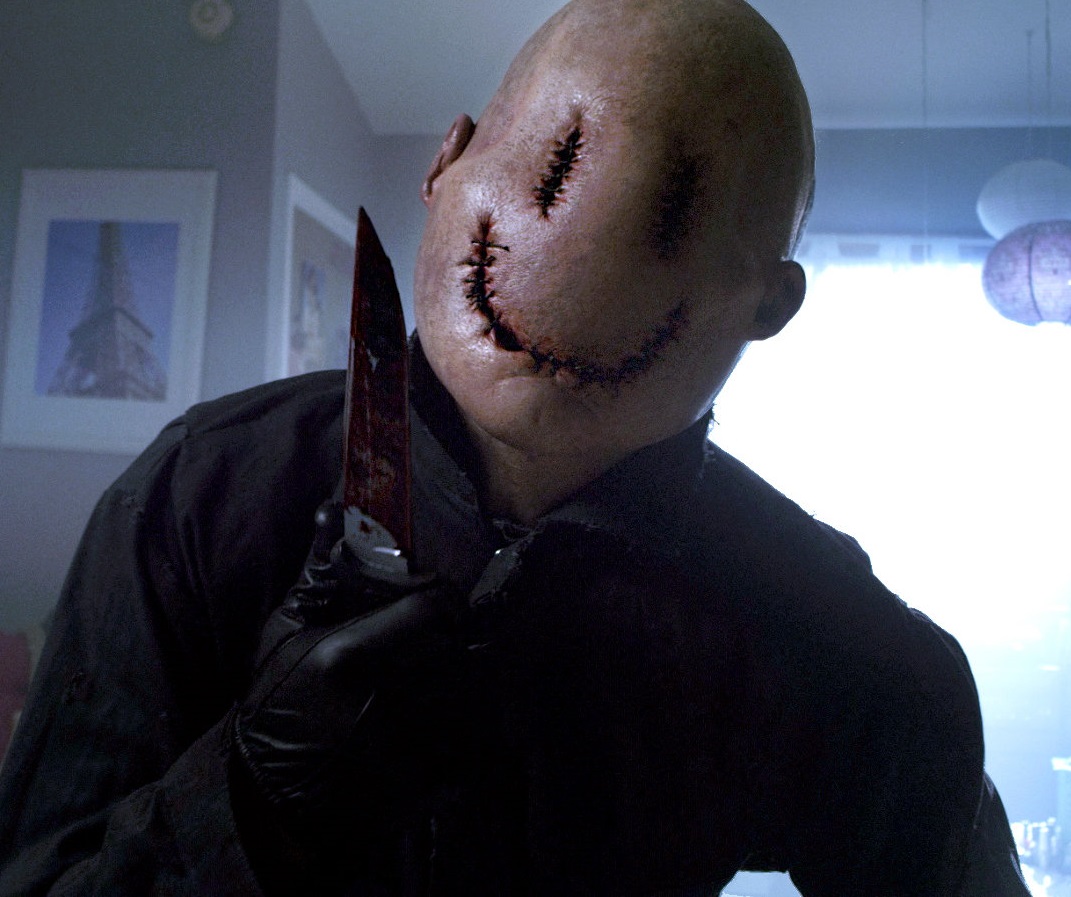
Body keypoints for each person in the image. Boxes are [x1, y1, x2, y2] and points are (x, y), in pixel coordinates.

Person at [0, 0, 1031, 894]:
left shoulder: (835, 644)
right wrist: (244, 802)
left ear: (771, 306)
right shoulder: (201, 493)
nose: (578, 248)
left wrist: (919, 715)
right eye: (555, 168)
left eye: (674, 222)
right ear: (444, 164)